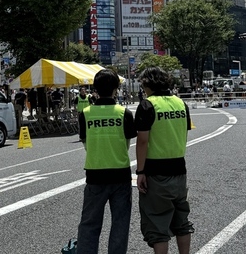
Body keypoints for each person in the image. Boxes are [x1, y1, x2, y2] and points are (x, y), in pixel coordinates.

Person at [135, 67, 194, 254]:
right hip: (179, 169)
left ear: (148, 84)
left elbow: (143, 141)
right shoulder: (180, 103)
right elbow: (183, 132)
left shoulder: (147, 105)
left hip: (156, 171)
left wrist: (140, 172)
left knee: (157, 223)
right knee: (181, 220)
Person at [77, 69, 136, 254]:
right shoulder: (124, 113)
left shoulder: (85, 113)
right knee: (120, 222)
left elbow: (86, 143)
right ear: (116, 89)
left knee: (89, 224)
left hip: (95, 174)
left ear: (95, 89)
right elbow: (127, 142)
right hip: (120, 173)